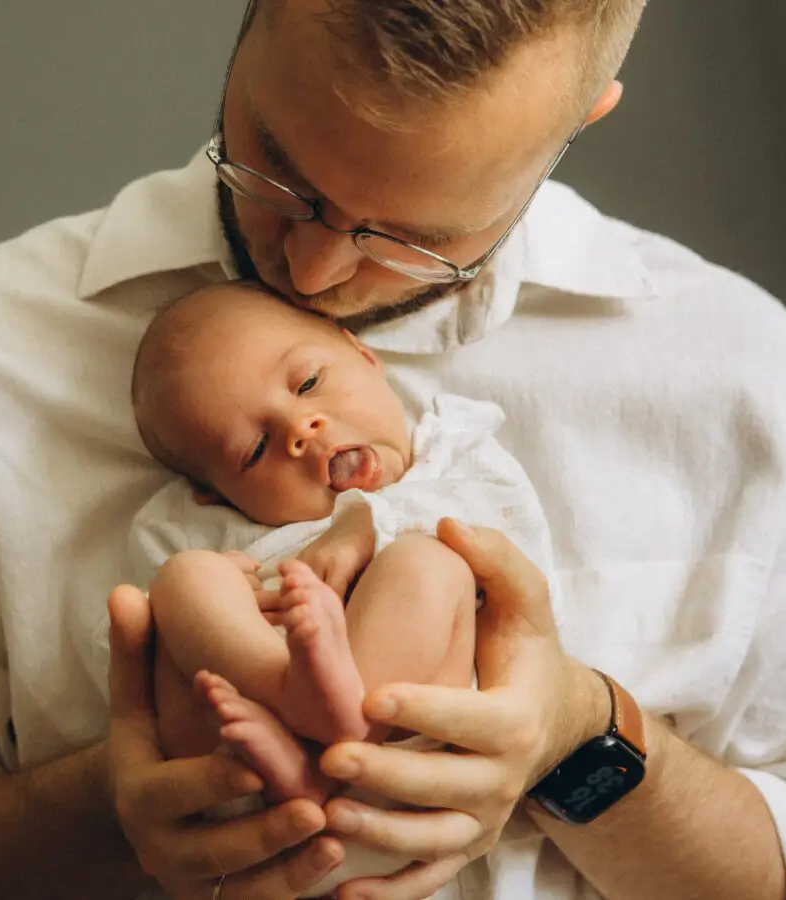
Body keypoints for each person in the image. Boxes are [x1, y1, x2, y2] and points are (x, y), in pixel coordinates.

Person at [0, 0, 786, 899]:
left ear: (583, 116)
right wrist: (115, 809)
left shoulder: (748, 375)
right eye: (280, 168)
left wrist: (575, 736)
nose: (314, 272)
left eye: (420, 241)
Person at [128, 279, 557, 896]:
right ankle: (292, 695)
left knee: (428, 564)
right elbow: (147, 641)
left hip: (400, 756)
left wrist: (368, 522)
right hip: (250, 791)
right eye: (254, 451)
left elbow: (517, 552)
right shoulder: (209, 527)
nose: (301, 426)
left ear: (366, 357)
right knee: (181, 579)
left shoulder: (454, 453)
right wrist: (225, 586)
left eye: (306, 383)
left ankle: (331, 722)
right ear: (217, 493)